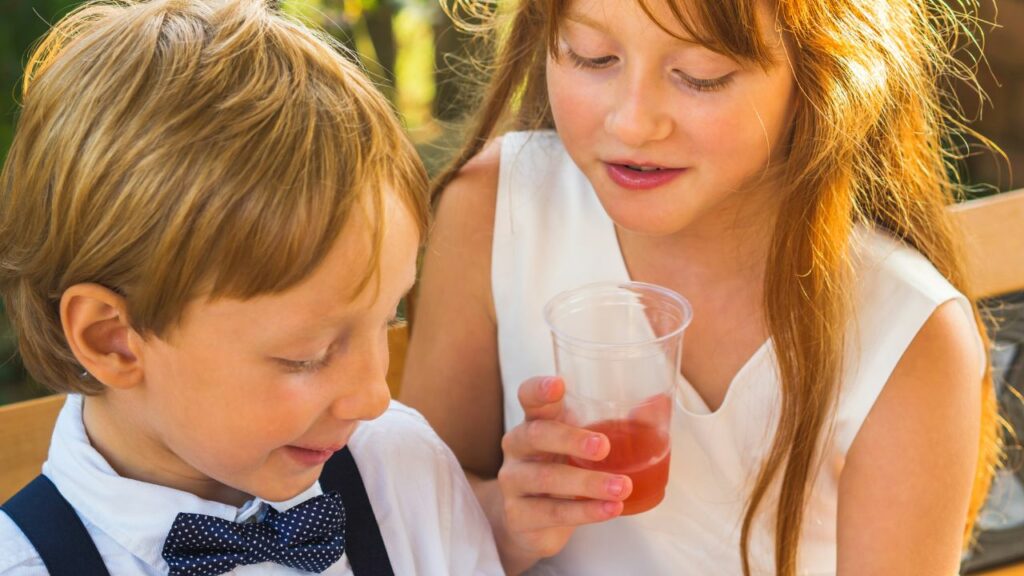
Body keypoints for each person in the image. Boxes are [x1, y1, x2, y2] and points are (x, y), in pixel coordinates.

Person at [399, 0, 1004, 573]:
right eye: (592, 56)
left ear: (824, 72)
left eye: (701, 74)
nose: (633, 122)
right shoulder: (495, 213)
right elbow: (403, 521)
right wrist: (504, 521)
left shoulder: (905, 336)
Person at [0, 1, 501, 574]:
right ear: (114, 338)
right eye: (305, 357)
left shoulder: (401, 472)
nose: (373, 396)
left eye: (389, 317)